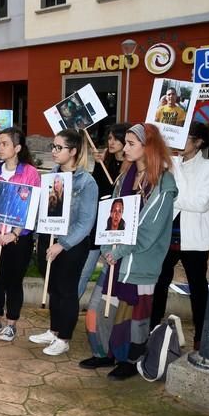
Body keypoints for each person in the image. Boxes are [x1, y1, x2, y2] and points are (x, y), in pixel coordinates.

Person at [81, 123, 177, 381]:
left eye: (132, 143)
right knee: (98, 309)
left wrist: (120, 250)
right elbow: (113, 213)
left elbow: (150, 230)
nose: (126, 147)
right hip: (116, 258)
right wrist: (106, 245)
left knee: (132, 318)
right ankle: (104, 353)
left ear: (149, 148)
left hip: (139, 263)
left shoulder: (164, 183)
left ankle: (129, 360)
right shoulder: (125, 176)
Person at [30, 130, 98, 355]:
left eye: (59, 147)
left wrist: (63, 244)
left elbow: (86, 221)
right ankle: (54, 330)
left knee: (67, 290)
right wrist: (39, 238)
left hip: (72, 245)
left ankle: (64, 337)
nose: (54, 151)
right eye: (53, 146)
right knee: (53, 289)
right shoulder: (52, 176)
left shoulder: (86, 182)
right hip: (48, 239)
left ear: (74, 151)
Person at [150, 122, 209, 351]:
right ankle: (151, 329)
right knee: (159, 284)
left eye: (186, 136)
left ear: (198, 142)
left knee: (198, 288)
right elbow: (155, 189)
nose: (179, 140)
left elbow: (201, 203)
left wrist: (171, 195)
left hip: (194, 239)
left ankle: (201, 335)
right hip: (167, 235)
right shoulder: (171, 162)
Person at [0, 128, 41, 342]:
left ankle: (11, 323)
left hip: (18, 239)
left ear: (17, 148)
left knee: (14, 281)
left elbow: (31, 209)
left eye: (4, 143)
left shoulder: (30, 173)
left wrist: (14, 234)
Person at [77, 123, 129, 298]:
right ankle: (70, 308)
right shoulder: (104, 160)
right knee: (84, 270)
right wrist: (99, 165)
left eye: (115, 138)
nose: (111, 142)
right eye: (109, 138)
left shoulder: (133, 166)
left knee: (111, 270)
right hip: (98, 222)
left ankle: (101, 310)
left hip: (117, 226)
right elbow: (96, 188)